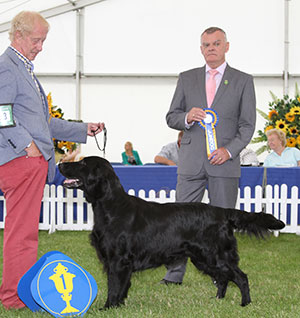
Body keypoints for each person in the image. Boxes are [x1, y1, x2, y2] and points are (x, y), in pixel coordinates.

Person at [0, 11, 105, 309]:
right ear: (18, 35)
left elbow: (45, 121)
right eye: (36, 40)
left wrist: (84, 129)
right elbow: (0, 112)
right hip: (20, 161)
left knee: (25, 233)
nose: (40, 46)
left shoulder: (25, 70)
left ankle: (17, 292)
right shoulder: (7, 68)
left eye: (43, 40)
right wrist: (28, 146)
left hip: (27, 162)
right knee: (22, 234)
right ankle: (14, 298)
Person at [162, 26, 256, 285]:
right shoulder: (186, 77)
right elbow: (171, 117)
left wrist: (229, 150)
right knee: (179, 221)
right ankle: (174, 274)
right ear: (200, 48)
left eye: (216, 43)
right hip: (190, 162)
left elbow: (247, 125)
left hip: (224, 163)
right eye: (206, 44)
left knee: (223, 224)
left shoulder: (243, 80)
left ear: (226, 46)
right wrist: (186, 117)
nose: (211, 48)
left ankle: (223, 274)